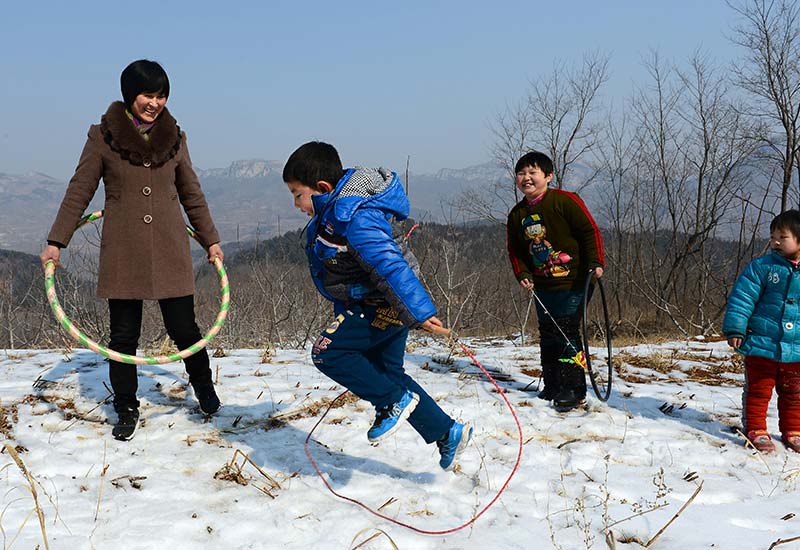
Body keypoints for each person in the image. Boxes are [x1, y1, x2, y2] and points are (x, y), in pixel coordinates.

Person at [40, 59, 223, 441]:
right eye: (147, 94)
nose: (154, 103)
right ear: (129, 95)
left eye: (161, 95)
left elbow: (191, 192)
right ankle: (126, 407)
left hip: (171, 245)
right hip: (123, 249)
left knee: (185, 328)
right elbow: (80, 189)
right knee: (123, 337)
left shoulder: (175, 139)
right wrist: (57, 241)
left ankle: (205, 390)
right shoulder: (102, 137)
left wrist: (210, 240)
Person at [282, 141, 472, 471]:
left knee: (327, 352)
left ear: (323, 188)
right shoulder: (339, 207)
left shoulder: (355, 217)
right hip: (383, 303)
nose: (296, 204)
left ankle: (392, 402)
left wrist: (420, 312)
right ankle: (446, 432)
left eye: (298, 194)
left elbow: (388, 263)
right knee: (387, 373)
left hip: (379, 303)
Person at [506, 151, 605, 412]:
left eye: (532, 172)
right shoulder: (517, 215)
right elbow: (516, 250)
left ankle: (573, 389)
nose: (526, 178)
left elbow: (589, 231)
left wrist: (596, 262)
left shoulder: (565, 201)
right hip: (542, 285)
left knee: (567, 332)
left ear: (548, 176)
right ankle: (552, 385)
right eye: (521, 173)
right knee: (548, 334)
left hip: (574, 280)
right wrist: (523, 275)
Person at [723, 210, 800, 454]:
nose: (775, 241)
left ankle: (794, 430)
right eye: (773, 236)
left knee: (794, 393)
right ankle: (756, 428)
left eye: (782, 236)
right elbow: (742, 298)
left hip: (796, 348)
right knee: (759, 388)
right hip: (761, 344)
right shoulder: (762, 267)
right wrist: (736, 328)